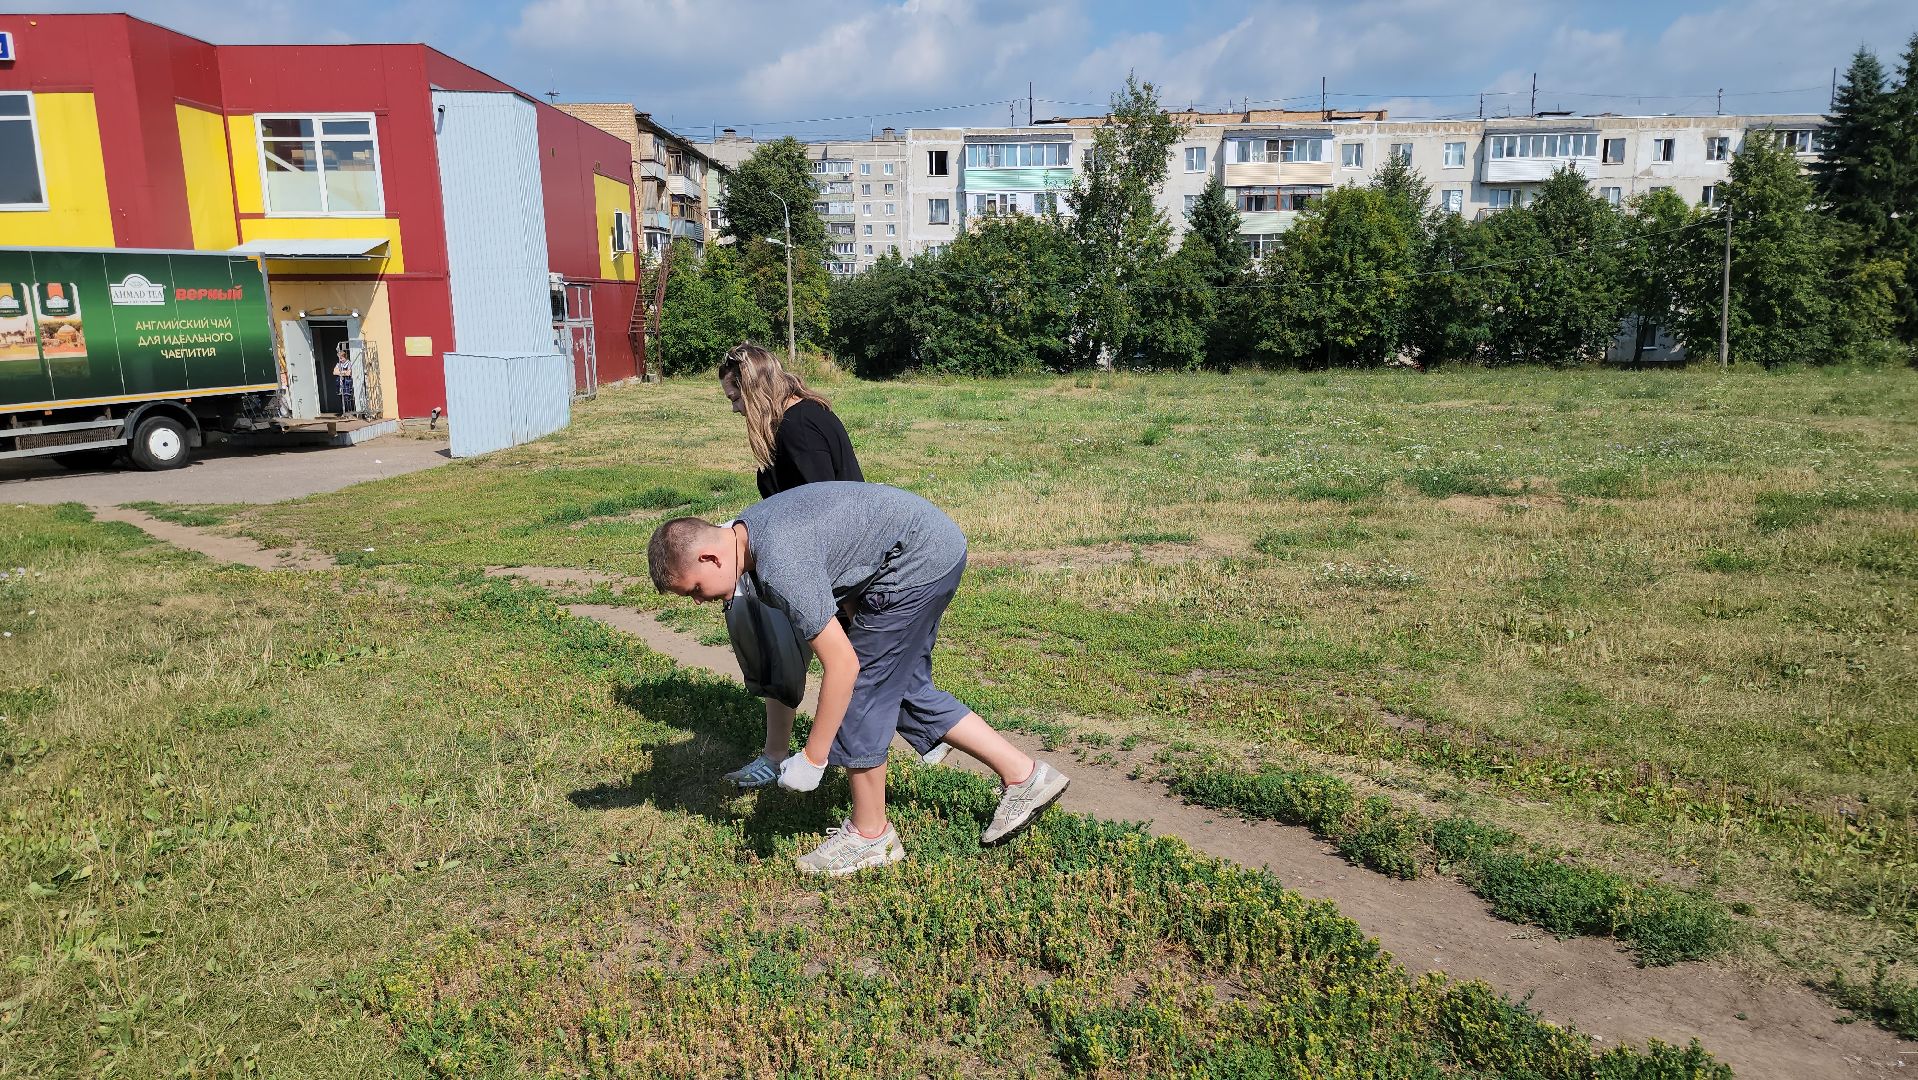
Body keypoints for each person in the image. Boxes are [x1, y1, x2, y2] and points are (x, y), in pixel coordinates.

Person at [648, 482, 1070, 875]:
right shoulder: (748, 535)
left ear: (709, 558)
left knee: (861, 695)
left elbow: (844, 666)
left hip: (916, 563)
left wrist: (814, 759)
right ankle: (1025, 776)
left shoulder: (780, 563)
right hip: (928, 545)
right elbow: (844, 560)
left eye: (696, 590)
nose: (701, 600)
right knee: (900, 688)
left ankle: (872, 836)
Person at [714, 344, 948, 789]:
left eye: (735, 397)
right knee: (868, 661)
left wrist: (820, 582)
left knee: (847, 661)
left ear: (753, 387)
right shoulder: (798, 418)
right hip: (835, 563)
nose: (735, 409)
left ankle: (922, 737)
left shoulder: (798, 428)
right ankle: (931, 734)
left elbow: (828, 506)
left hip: (841, 565)